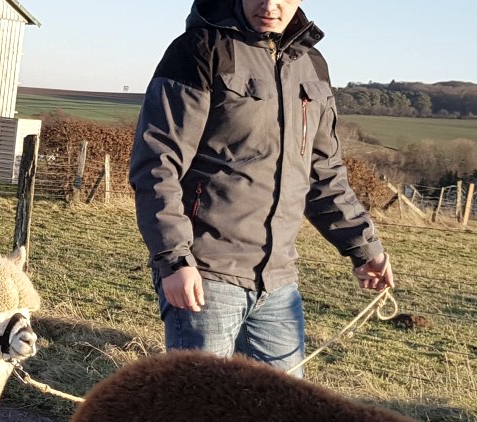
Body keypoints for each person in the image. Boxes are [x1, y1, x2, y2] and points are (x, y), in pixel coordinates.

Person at [131, 0, 393, 376]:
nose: (270, 6)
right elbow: (157, 164)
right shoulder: (201, 50)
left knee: (283, 407)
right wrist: (174, 260)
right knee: (203, 405)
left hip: (278, 282)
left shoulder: (312, 64)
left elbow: (323, 174)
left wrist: (364, 248)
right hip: (205, 273)